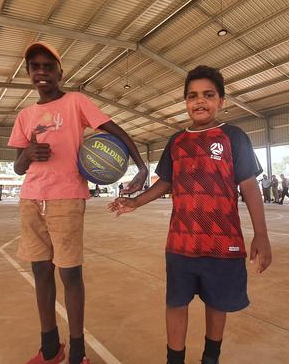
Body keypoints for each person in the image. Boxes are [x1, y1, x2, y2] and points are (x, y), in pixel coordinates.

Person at [109, 65, 272, 364]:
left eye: (208, 95)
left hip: (223, 245)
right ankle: (175, 359)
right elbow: (166, 183)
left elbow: (249, 186)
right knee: (176, 303)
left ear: (221, 101)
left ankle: (211, 359)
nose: (200, 101)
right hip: (181, 245)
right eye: (192, 96)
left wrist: (261, 234)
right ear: (185, 101)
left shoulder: (233, 137)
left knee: (217, 304)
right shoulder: (176, 142)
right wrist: (135, 202)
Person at [7, 41, 148, 364]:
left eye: (48, 66)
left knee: (70, 275)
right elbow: (17, 167)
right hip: (31, 200)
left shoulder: (76, 102)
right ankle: (50, 349)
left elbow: (117, 130)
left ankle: (78, 353)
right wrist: (28, 155)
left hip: (66, 199)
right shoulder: (25, 115)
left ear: (60, 71)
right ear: (28, 73)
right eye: (35, 67)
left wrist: (141, 166)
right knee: (41, 273)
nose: (41, 72)